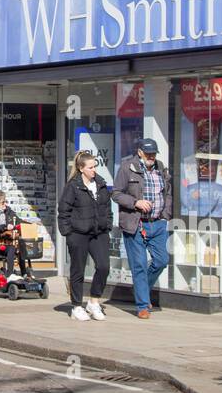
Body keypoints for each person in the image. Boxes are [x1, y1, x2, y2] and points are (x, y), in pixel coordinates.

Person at [113, 138, 173, 319]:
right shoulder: (127, 168)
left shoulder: (161, 168)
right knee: (138, 264)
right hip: (135, 223)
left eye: (154, 154)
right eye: (148, 154)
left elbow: (167, 192)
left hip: (158, 223)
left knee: (162, 260)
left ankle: (141, 290)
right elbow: (116, 193)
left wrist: (165, 215)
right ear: (139, 152)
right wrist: (135, 202)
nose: (152, 157)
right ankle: (142, 306)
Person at [58, 150, 114, 322]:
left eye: (95, 166)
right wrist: (68, 233)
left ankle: (94, 301)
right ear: (81, 168)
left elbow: (107, 207)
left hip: (99, 232)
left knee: (104, 266)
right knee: (78, 270)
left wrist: (107, 224)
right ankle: (76, 306)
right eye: (90, 167)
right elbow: (63, 211)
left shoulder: (100, 184)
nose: (93, 170)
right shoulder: (73, 186)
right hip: (78, 233)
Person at [0, 189, 33, 280]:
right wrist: (5, 227)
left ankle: (24, 273)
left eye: (5, 201)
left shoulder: (8, 211)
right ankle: (9, 275)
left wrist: (30, 225)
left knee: (21, 245)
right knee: (12, 247)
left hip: (9, 241)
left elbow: (18, 221)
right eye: (2, 202)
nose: (5, 204)